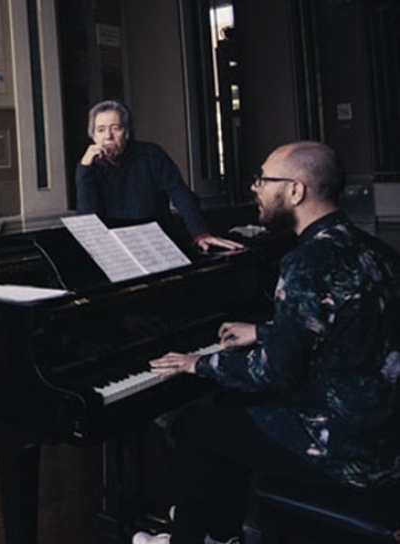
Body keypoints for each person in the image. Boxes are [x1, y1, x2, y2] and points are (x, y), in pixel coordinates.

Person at [133, 141, 400, 544]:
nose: (255, 188)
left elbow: (276, 371)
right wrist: (263, 332)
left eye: (263, 179)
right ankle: (222, 531)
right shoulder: (374, 250)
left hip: (342, 449)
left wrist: (196, 363)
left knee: (193, 425)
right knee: (230, 402)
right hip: (381, 433)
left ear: (295, 190)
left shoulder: (306, 262)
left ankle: (187, 537)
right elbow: (345, 329)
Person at [75, 100, 243, 252]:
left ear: (126, 132)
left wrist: (200, 234)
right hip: (116, 247)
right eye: (101, 130)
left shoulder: (151, 155)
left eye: (116, 128)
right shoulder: (89, 167)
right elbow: (88, 218)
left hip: (157, 242)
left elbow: (181, 195)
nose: (108, 136)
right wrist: (85, 169)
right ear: (93, 136)